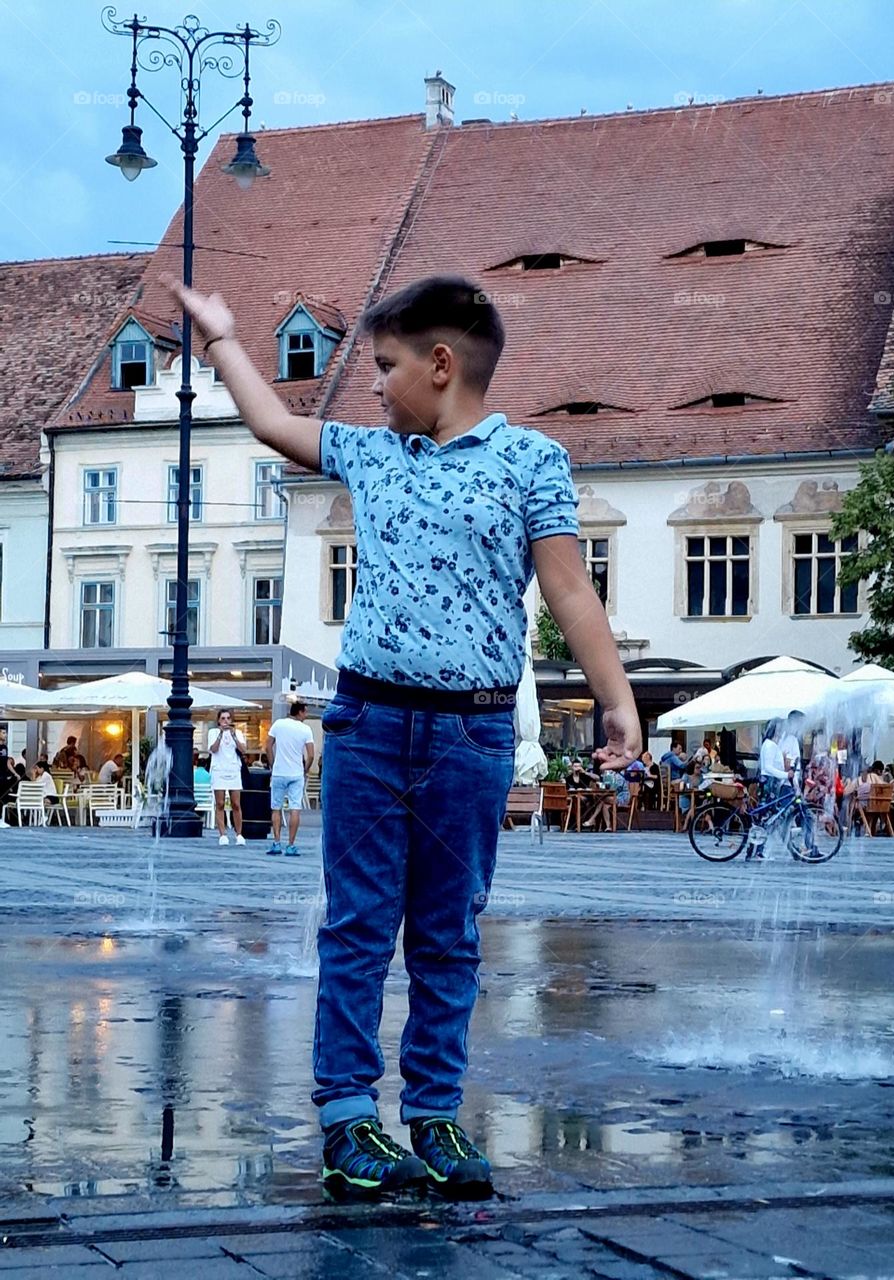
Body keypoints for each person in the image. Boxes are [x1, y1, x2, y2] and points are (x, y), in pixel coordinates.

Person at [163, 270, 641, 1200]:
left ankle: (433, 1113)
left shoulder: (532, 463)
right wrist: (221, 338)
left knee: (448, 936)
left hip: (471, 737)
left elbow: (569, 591)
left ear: (440, 363)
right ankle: (347, 1118)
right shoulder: (375, 455)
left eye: (383, 367)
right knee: (356, 927)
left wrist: (615, 696)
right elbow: (272, 426)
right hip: (370, 725)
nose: (373, 386)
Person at [266, 700, 315, 857]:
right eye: (305, 712)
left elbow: (268, 746)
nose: (306, 715)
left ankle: (276, 842)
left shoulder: (278, 724)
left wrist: (272, 764)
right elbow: (311, 755)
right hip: (296, 773)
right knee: (295, 808)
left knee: (276, 808)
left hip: (279, 771)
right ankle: (291, 844)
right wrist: (305, 769)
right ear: (300, 712)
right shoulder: (306, 729)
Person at [207, 710, 246, 846]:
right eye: (223, 718)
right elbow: (213, 749)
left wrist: (234, 736)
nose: (226, 721)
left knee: (236, 803)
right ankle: (222, 834)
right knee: (220, 803)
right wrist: (220, 734)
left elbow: (243, 750)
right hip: (219, 770)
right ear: (218, 720)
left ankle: (239, 834)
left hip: (233, 769)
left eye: (228, 718)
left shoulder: (238, 733)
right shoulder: (213, 732)